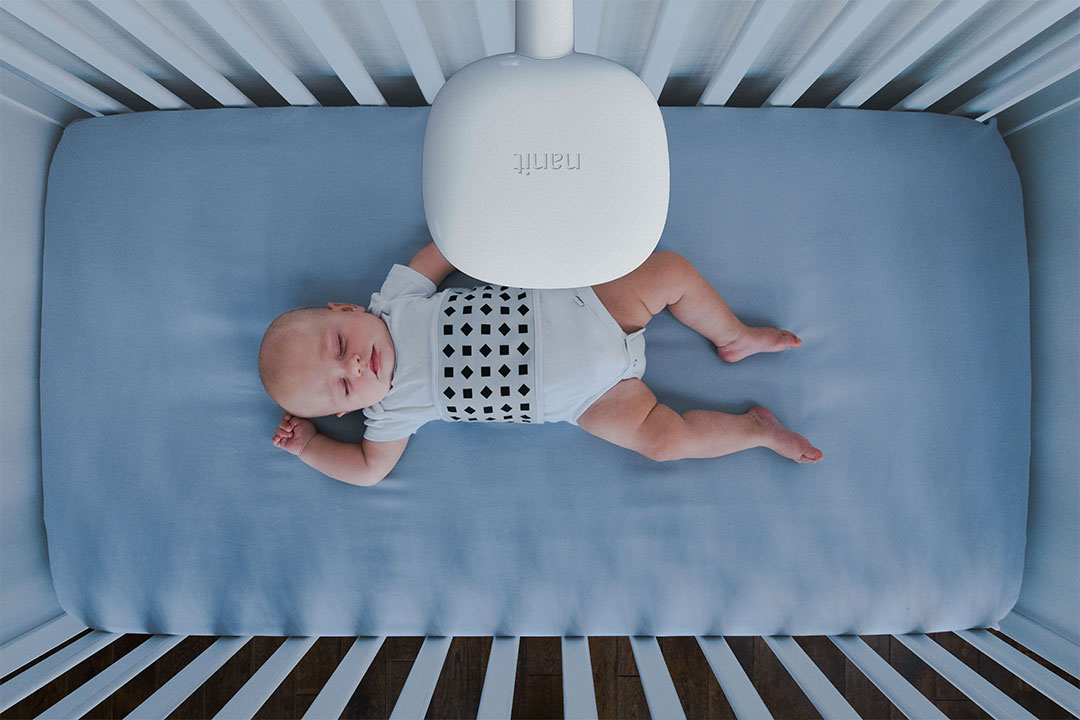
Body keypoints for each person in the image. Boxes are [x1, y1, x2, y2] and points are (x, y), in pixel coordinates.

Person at [258, 242, 823, 486]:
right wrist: (309, 447)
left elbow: (448, 249)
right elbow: (367, 469)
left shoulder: (395, 299)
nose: (355, 366)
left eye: (338, 346)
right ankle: (755, 431)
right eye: (341, 389)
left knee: (669, 271)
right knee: (665, 442)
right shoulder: (388, 415)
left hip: (588, 308)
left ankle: (735, 336)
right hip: (584, 402)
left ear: (344, 309)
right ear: (349, 410)